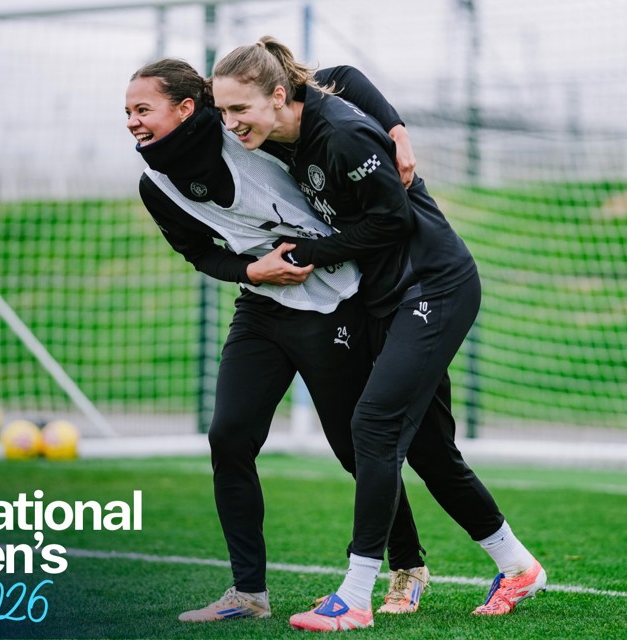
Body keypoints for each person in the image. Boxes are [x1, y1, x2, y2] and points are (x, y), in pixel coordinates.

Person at [212, 37, 547, 632]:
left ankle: (356, 593)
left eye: (241, 110)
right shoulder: (290, 124)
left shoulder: (340, 134)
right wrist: (397, 124)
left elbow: (391, 219)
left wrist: (314, 251)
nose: (232, 124)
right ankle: (517, 565)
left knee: (372, 425)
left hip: (434, 286)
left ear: (279, 96)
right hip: (387, 297)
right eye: (223, 112)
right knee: (429, 449)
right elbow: (343, 71)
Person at [125, 58, 433, 623]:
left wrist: (396, 129)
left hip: (334, 299)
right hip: (262, 308)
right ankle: (248, 594)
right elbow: (199, 252)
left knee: (353, 446)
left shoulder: (246, 125)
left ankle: (408, 567)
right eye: (127, 113)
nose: (132, 122)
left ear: (186, 108)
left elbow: (340, 77)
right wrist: (252, 273)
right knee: (229, 436)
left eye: (143, 109)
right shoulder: (157, 185)